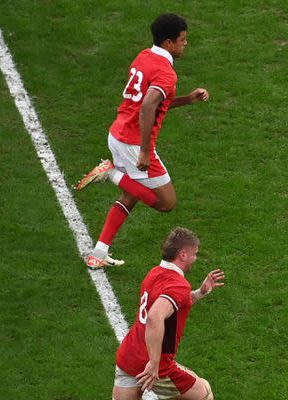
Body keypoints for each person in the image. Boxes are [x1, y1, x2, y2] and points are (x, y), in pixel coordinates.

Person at [57, 227, 225, 400]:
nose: (196, 258)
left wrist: (200, 293)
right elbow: (158, 317)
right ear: (183, 254)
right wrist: (156, 364)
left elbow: (172, 306)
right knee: (204, 398)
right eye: (194, 254)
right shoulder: (176, 285)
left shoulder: (156, 274)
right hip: (152, 364)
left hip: (128, 356)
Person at [74, 13, 210, 269]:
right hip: (133, 143)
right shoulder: (166, 73)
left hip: (118, 133)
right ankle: (109, 173)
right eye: (182, 39)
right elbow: (148, 106)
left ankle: (99, 253)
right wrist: (145, 152)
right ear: (169, 42)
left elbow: (152, 103)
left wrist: (187, 99)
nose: (185, 44)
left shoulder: (144, 57)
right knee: (166, 203)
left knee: (131, 194)